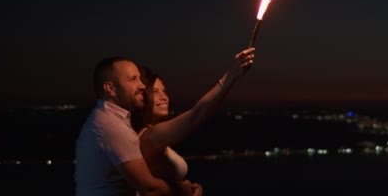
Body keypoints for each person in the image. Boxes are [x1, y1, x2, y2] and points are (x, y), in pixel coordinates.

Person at [131, 48, 256, 195]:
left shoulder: (152, 134)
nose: (164, 97)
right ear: (143, 98)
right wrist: (230, 76)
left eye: (164, 91)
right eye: (155, 91)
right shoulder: (150, 137)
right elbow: (197, 114)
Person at [75, 56, 193, 196]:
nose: (142, 85)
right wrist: (183, 191)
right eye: (133, 79)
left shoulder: (109, 120)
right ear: (110, 88)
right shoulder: (111, 126)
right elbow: (148, 189)